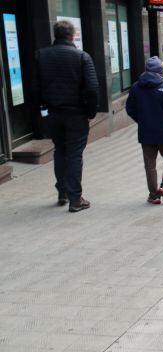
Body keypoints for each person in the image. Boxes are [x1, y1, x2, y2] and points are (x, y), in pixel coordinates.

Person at [34, 20, 98, 213]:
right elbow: (92, 88)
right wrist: (91, 112)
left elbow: (34, 87)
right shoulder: (82, 57)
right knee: (74, 154)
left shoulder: (40, 55)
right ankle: (75, 199)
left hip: (52, 114)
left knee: (60, 151)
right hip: (76, 114)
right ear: (71, 36)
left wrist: (42, 110)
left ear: (56, 35)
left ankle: (63, 192)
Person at [125, 56, 163, 205]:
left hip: (146, 132)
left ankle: (154, 195)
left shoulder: (136, 87)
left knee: (149, 164)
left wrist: (142, 121)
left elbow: (130, 108)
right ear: (160, 71)